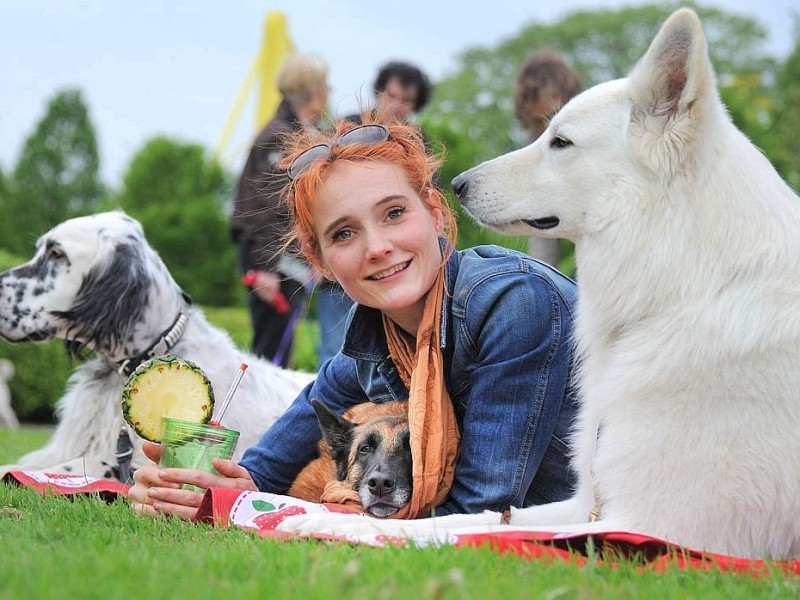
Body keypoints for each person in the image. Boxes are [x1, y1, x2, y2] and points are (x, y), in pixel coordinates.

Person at [128, 119, 579, 522]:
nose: (377, 246)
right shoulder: (369, 345)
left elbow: (479, 510)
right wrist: (197, 491)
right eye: (344, 233)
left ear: (437, 217)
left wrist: (327, 516)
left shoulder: (513, 304)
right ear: (320, 261)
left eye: (394, 213)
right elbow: (259, 474)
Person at [312, 60, 437, 367]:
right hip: (342, 276)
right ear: (380, 93)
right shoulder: (343, 131)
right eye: (392, 96)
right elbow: (312, 200)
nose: (397, 106)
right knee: (336, 351)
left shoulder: (418, 143)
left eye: (406, 101)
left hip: (400, 273)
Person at [230, 52, 330, 367]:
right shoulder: (279, 137)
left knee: (278, 352)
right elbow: (269, 207)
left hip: (287, 262)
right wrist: (265, 269)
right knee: (268, 355)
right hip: (273, 263)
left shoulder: (299, 133)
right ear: (313, 92)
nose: (329, 93)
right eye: (327, 86)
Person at [513, 50, 582, 268]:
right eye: (538, 120)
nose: (546, 129)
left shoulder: (590, 132)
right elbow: (539, 219)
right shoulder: (533, 143)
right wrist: (543, 273)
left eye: (553, 117)